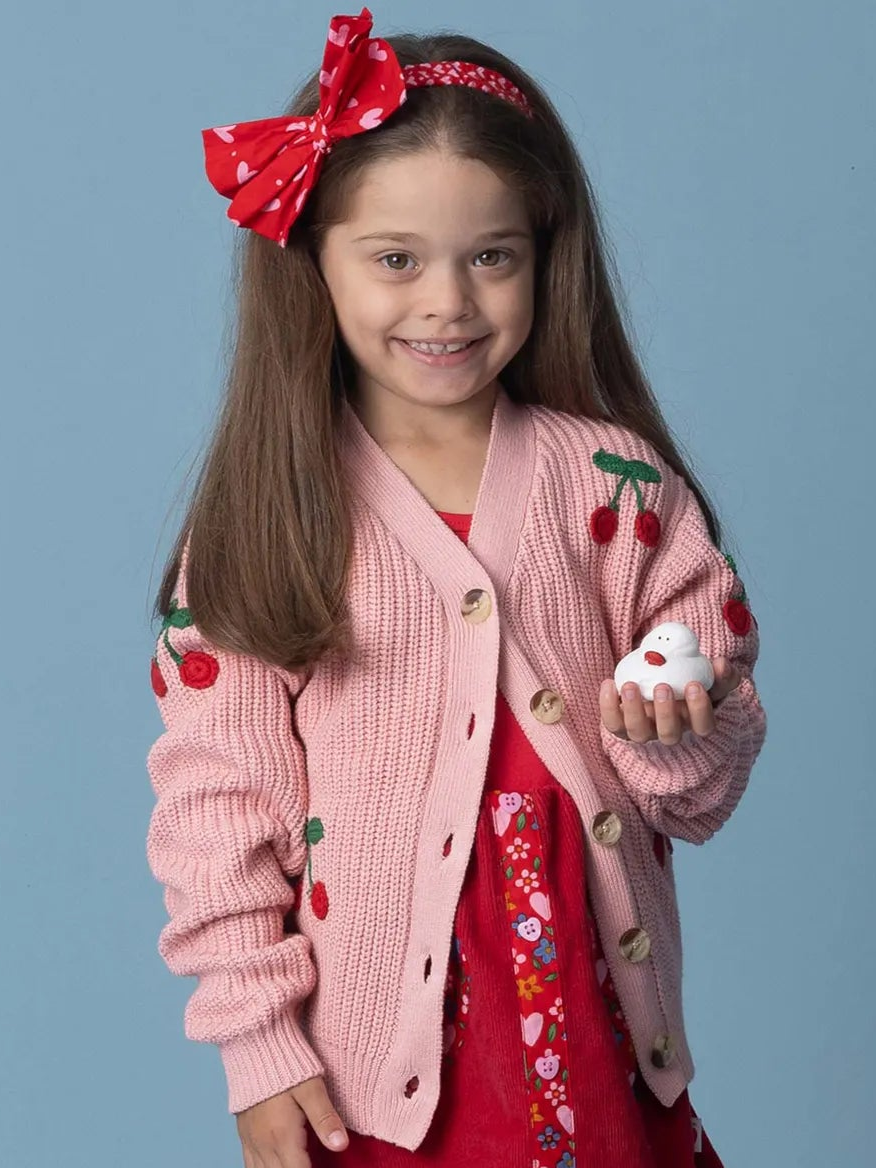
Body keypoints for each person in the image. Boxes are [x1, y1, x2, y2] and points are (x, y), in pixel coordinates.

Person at [145, 7, 767, 1167]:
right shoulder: (271, 520)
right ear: (313, 260)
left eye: (491, 256)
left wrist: (672, 727)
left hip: (594, 1026)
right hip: (380, 1070)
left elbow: (703, 752)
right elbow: (218, 808)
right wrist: (258, 1043)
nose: (448, 301)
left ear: (542, 255)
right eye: (396, 259)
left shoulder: (618, 488)